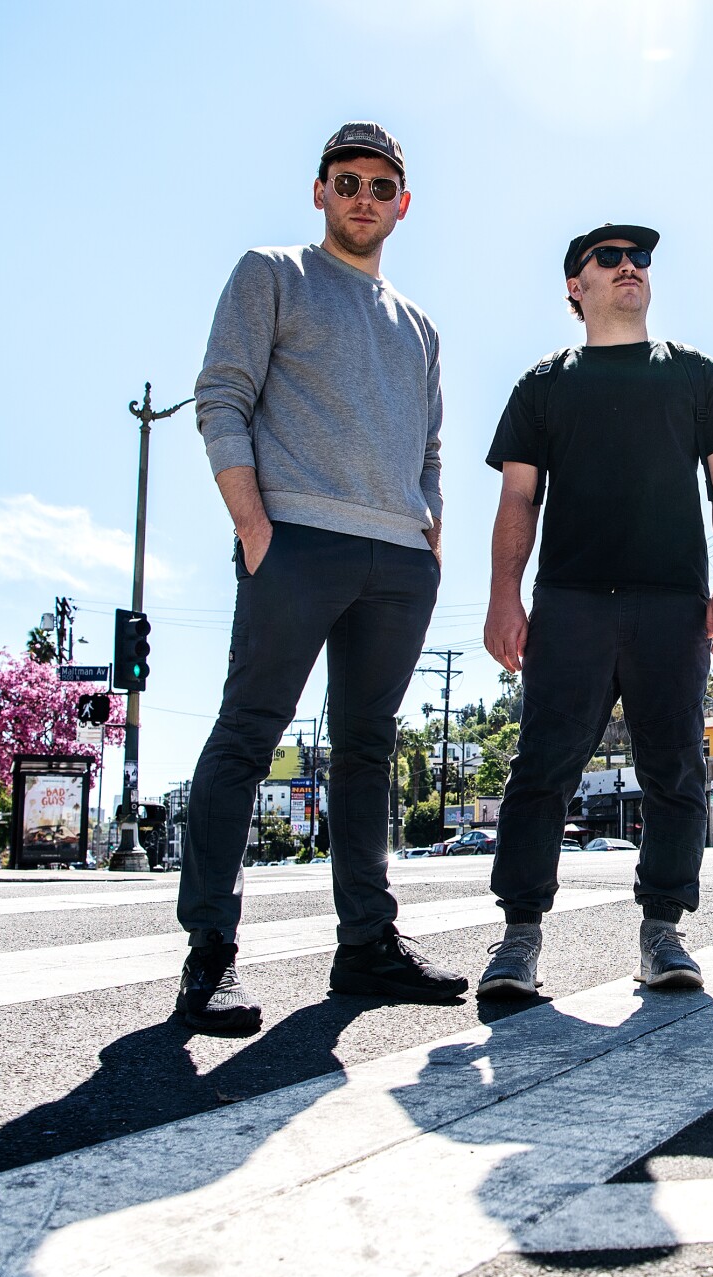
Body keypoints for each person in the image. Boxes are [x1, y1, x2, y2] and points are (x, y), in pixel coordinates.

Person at [174, 121, 467, 1035]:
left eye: (381, 187)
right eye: (348, 182)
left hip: (395, 561)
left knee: (368, 752)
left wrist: (431, 540)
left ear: (402, 205)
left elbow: (429, 448)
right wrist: (254, 526)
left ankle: (366, 948)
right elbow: (221, 396)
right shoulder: (273, 273)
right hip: (295, 540)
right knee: (248, 737)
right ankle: (210, 958)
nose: (364, 199)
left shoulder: (419, 326)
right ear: (320, 191)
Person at [478, 224, 713, 999]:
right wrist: (506, 595)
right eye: (609, 259)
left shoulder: (697, 376)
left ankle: (662, 931)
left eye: (639, 258)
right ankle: (519, 940)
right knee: (541, 769)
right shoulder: (543, 385)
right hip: (570, 604)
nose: (629, 267)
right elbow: (517, 498)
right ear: (576, 285)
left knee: (675, 770)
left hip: (672, 604)